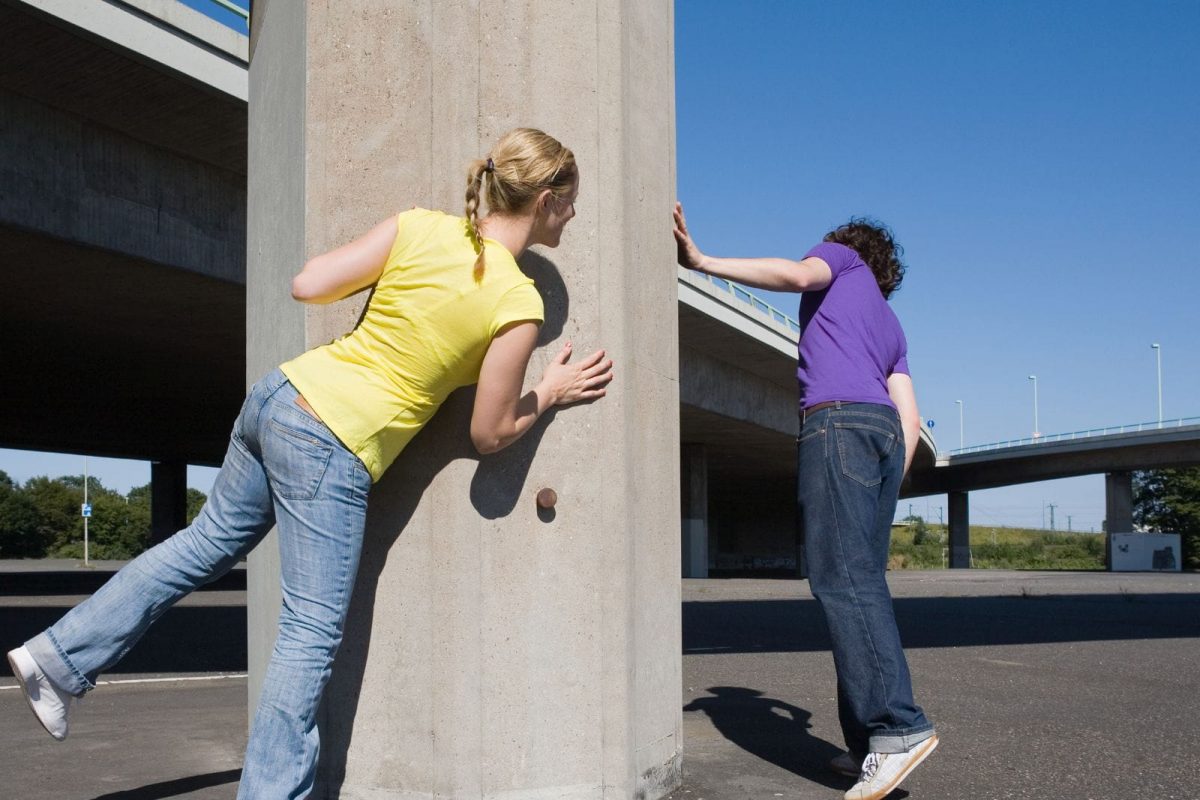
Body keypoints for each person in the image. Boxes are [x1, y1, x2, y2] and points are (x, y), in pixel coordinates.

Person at [6, 127, 613, 800]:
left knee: (199, 546)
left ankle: (56, 658)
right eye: (573, 201)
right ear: (548, 197)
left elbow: (307, 284)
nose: (575, 215)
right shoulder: (516, 300)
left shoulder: (420, 228)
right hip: (334, 443)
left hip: (279, 398)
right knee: (311, 631)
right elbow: (490, 432)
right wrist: (549, 393)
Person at [673, 202, 936, 800]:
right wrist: (883, 480)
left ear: (847, 248)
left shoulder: (842, 264)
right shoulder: (890, 326)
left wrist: (702, 261)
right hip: (885, 439)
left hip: (837, 424)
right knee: (862, 583)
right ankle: (869, 744)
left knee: (841, 582)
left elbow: (794, 275)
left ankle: (898, 730)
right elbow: (912, 420)